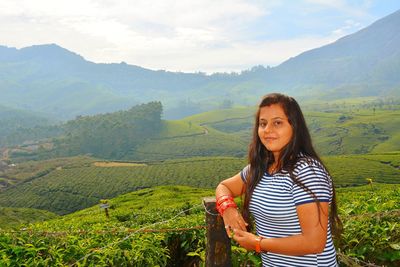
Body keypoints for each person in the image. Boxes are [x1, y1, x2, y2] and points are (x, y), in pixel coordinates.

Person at [215, 93, 342, 266]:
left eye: (277, 123)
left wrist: (258, 243)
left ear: (294, 126)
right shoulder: (260, 169)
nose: (267, 130)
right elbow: (224, 187)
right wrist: (228, 209)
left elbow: (314, 243)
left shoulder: (307, 171)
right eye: (263, 123)